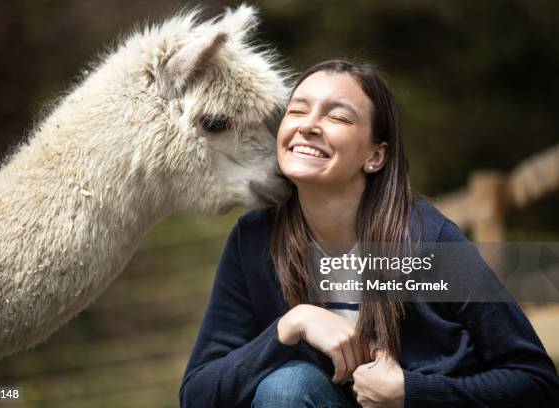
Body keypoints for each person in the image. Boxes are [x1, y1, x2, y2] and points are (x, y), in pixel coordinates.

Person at [179, 60, 559, 407]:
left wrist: (412, 393)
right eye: (297, 109)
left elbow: (535, 381)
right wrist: (291, 325)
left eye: (338, 117)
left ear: (375, 156)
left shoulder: (429, 240)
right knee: (287, 387)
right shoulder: (256, 239)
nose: (308, 124)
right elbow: (197, 394)